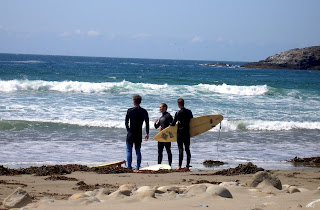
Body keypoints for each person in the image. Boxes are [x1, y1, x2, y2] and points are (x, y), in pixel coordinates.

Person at [125, 95, 149, 170]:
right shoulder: (144, 111)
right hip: (138, 133)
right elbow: (147, 123)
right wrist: (147, 133)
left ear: (134, 102)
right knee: (138, 150)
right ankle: (138, 167)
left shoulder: (130, 110)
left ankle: (129, 166)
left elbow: (126, 122)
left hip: (131, 132)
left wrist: (128, 129)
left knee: (129, 150)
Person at [170, 98, 193, 170]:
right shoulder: (189, 112)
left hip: (180, 133)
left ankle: (179, 166)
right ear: (183, 103)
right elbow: (193, 120)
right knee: (187, 149)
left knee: (180, 149)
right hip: (187, 132)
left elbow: (173, 124)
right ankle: (187, 165)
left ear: (178, 104)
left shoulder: (178, 113)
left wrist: (169, 125)